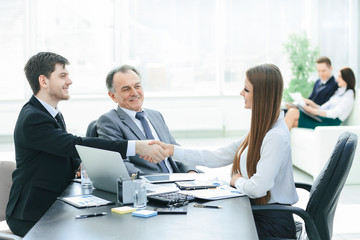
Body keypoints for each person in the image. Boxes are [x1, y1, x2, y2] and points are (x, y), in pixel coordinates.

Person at [6, 52, 168, 237]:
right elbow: (74, 144)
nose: (69, 81)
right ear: (43, 81)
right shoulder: (34, 118)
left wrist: (81, 164)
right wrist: (135, 147)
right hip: (31, 214)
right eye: (62, 76)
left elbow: (57, 150)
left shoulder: (49, 113)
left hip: (52, 204)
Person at [149, 64, 299, 239]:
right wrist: (172, 150)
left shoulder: (275, 136)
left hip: (272, 223)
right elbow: (218, 156)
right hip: (256, 212)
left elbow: (258, 189)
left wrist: (238, 180)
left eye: (246, 89)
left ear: (261, 95)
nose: (241, 93)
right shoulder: (262, 129)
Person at [96, 65, 198, 175]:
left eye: (137, 86)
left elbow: (175, 149)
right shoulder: (109, 121)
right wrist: (149, 184)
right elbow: (120, 164)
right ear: (113, 96)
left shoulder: (156, 115)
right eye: (126, 89)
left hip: (178, 181)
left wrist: (190, 171)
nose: (134, 93)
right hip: (149, 187)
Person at [285, 67, 356, 130]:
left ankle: (279, 144)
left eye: (340, 77)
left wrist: (313, 111)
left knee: (292, 112)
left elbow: (334, 114)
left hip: (330, 122)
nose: (337, 79)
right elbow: (323, 108)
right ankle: (282, 144)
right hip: (324, 117)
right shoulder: (339, 92)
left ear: (346, 79)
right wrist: (310, 103)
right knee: (293, 121)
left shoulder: (349, 95)